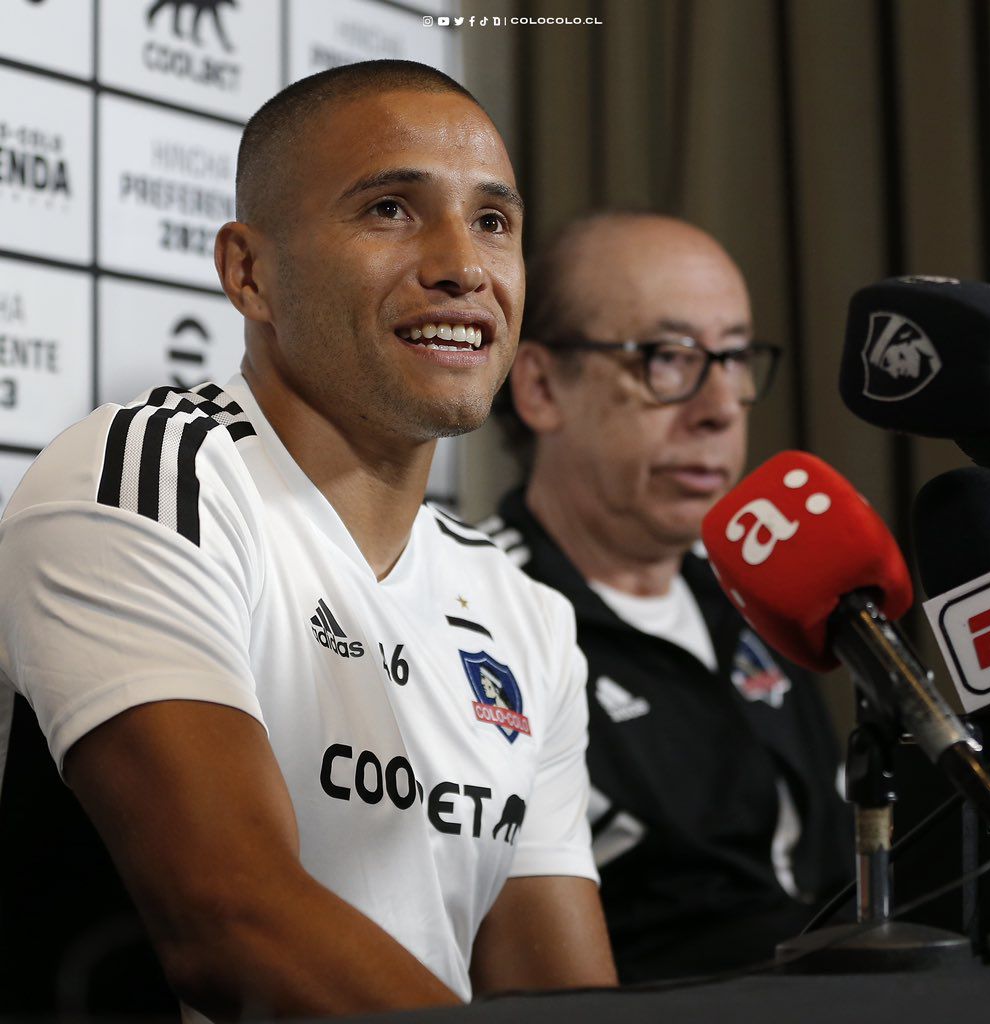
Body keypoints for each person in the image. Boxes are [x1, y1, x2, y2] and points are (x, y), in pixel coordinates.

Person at [0, 61, 616, 1020]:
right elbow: (234, 924)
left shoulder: (521, 609)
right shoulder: (146, 478)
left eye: (494, 222)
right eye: (389, 210)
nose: (464, 265)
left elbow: (558, 991)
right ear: (249, 272)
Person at [482, 211, 853, 980]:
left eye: (736, 357)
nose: (721, 407)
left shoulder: (766, 593)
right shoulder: (478, 615)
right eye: (668, 359)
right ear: (542, 387)